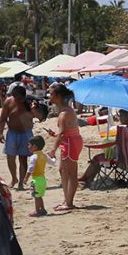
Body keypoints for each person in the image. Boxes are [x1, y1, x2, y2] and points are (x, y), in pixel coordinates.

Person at [46, 83, 81, 212]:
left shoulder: (64, 113)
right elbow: (65, 131)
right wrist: (54, 135)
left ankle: (69, 203)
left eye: (51, 93)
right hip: (70, 141)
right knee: (63, 171)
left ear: (58, 96)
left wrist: (53, 150)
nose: (49, 96)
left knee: (71, 173)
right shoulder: (65, 110)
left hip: (70, 143)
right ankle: (67, 199)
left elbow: (62, 134)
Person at [0, 83, 34, 190]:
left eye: (20, 99)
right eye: (17, 98)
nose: (18, 101)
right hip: (12, 132)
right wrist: (0, 133)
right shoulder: (8, 102)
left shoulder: (29, 103)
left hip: (26, 133)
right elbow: (3, 118)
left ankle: (21, 182)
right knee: (10, 157)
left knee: (23, 158)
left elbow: (40, 116)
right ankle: (14, 178)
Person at [26, 136, 48, 217]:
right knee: (39, 195)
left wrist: (26, 178)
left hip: (36, 179)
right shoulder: (44, 155)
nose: (28, 147)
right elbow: (52, 162)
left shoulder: (33, 157)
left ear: (34, 146)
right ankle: (42, 208)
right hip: (42, 179)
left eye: (29, 145)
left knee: (36, 196)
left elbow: (30, 168)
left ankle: (37, 210)